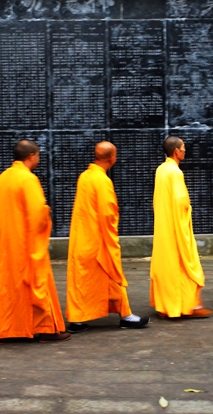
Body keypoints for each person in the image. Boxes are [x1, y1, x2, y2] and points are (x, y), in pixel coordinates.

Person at [0, 140, 70, 346]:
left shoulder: (3, 178)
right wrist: (46, 212)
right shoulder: (27, 179)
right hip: (23, 243)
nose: (39, 159)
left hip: (3, 242)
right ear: (32, 155)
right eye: (38, 155)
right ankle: (44, 328)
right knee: (34, 282)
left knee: (2, 286)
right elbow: (36, 215)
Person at [65, 142, 150, 332]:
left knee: (83, 282)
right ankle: (126, 316)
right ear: (112, 158)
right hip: (98, 242)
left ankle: (78, 320)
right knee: (113, 276)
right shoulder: (102, 181)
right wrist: (112, 237)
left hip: (82, 240)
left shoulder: (84, 176)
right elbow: (107, 214)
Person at [150, 136, 212, 319]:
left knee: (166, 266)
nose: (185, 151)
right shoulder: (175, 173)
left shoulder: (161, 170)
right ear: (176, 151)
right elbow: (180, 203)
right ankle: (189, 305)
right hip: (176, 227)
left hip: (164, 227)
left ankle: (165, 306)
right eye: (183, 148)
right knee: (187, 264)